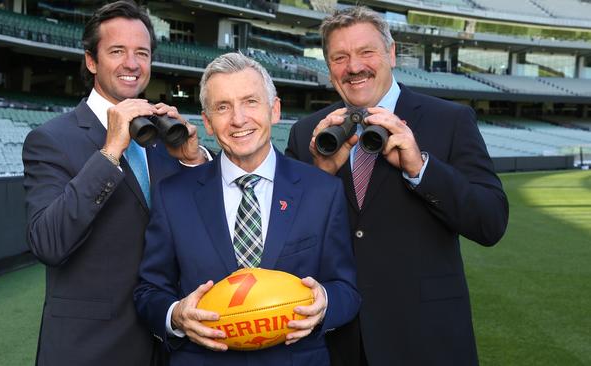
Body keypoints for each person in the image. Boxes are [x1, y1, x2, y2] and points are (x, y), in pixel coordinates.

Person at [286, 6, 509, 366]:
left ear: (391, 53)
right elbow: (286, 242)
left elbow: (491, 221)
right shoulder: (307, 133)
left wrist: (421, 168)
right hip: (336, 343)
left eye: (366, 52)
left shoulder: (449, 120)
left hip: (425, 340)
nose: (354, 67)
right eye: (340, 57)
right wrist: (319, 174)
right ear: (328, 67)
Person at [134, 52, 361, 366]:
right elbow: (149, 291)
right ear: (209, 122)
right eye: (223, 107)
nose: (238, 119)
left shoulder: (322, 190)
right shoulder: (173, 195)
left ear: (274, 109)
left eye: (250, 101)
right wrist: (176, 315)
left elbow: (346, 289)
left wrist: (326, 302)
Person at [22, 1, 210, 365]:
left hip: (168, 343)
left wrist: (192, 160)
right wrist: (110, 152)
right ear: (91, 61)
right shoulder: (50, 139)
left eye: (142, 52)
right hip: (90, 349)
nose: (132, 63)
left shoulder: (161, 135)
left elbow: (198, 227)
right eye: (117, 51)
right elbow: (47, 241)